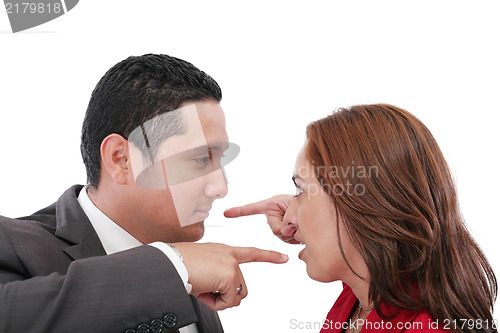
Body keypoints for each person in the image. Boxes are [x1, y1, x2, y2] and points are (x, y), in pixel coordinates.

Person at [0, 54, 288, 333]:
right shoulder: (11, 245)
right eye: (201, 159)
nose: (220, 188)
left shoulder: (188, 268)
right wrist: (173, 268)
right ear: (121, 159)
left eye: (219, 161)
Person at [225, 104, 497, 332]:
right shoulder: (367, 293)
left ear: (362, 202)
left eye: (300, 190)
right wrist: (310, 219)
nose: (288, 219)